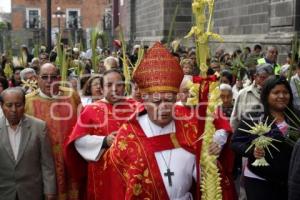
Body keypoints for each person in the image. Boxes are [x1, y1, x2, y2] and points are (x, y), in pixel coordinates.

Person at [64, 69, 140, 199]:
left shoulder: (137, 107)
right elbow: (79, 140)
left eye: (119, 84)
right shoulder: (91, 110)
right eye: (109, 85)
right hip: (104, 171)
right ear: (102, 88)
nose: (114, 89)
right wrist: (105, 141)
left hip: (133, 170)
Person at [231, 76, 295, 200]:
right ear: (266, 95)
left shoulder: (295, 116)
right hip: (259, 181)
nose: (281, 96)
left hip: (289, 181)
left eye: (285, 92)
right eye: (276, 92)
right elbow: (235, 142)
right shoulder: (254, 116)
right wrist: (252, 150)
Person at [25, 63, 81, 200]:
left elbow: (82, 123)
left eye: (53, 77)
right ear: (37, 79)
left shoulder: (71, 96)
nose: (49, 81)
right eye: (44, 77)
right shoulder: (28, 101)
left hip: (70, 159)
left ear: (59, 78)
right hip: (44, 162)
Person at [0, 87, 56, 200]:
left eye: (18, 105)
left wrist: (50, 191)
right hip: (4, 192)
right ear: (2, 106)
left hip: (32, 191)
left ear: (24, 105)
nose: (14, 110)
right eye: (9, 105)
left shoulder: (39, 127)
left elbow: (46, 163)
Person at [230, 63, 274, 131]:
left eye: (270, 78)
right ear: (255, 77)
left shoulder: (276, 95)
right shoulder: (243, 93)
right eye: (263, 77)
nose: (266, 81)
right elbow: (234, 120)